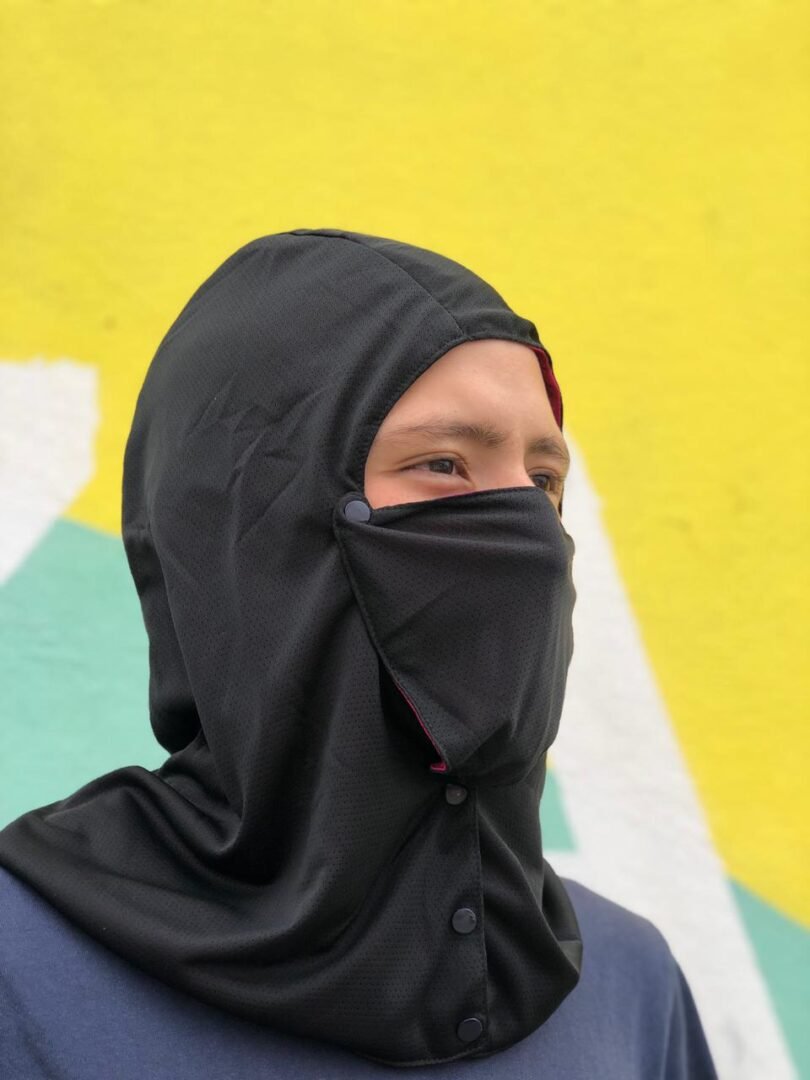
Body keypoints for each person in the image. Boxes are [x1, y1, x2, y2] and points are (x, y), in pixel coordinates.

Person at [0, 228, 718, 1078]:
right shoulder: (24, 964)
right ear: (262, 524)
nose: (527, 530)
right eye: (444, 463)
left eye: (544, 480)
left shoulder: (628, 985)